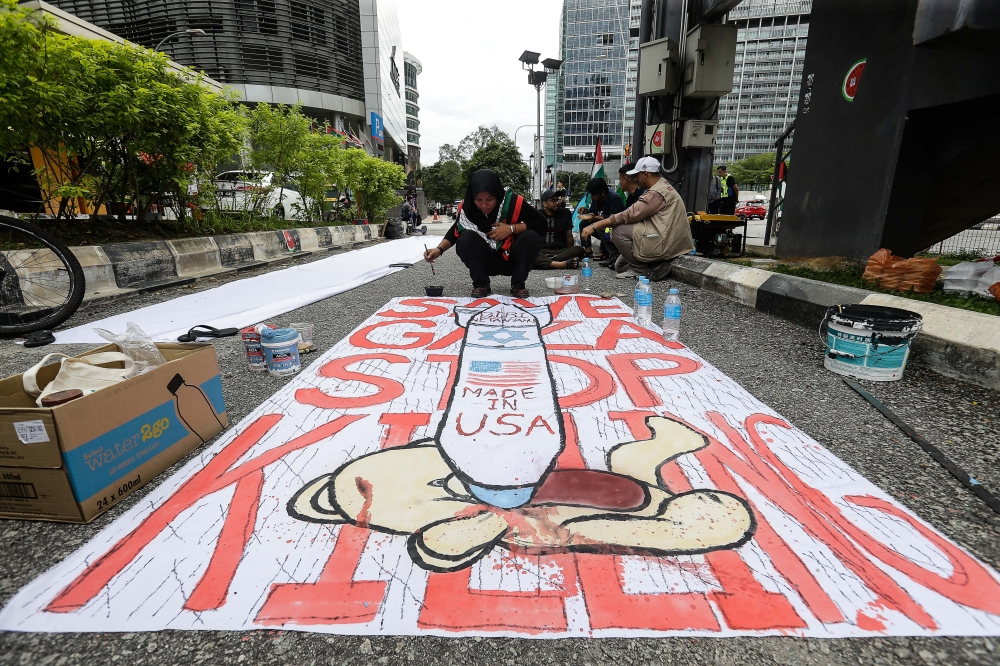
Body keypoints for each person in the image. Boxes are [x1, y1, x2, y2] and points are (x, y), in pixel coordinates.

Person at [423, 169, 544, 297]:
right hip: (485, 260)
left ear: (497, 194)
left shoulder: (513, 202)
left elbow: (541, 223)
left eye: (490, 199)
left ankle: (518, 284)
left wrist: (511, 229)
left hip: (511, 258)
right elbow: (456, 230)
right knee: (466, 238)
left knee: (530, 237)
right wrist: (439, 250)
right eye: (478, 200)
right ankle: (481, 284)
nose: (484, 205)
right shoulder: (468, 208)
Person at [580, 156, 694, 281]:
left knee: (618, 230)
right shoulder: (661, 186)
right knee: (620, 266)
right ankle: (645, 265)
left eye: (636, 175)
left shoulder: (655, 193)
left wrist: (594, 226)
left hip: (666, 242)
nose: (635, 179)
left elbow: (627, 215)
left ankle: (644, 271)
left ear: (645, 174)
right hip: (666, 236)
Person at [535, 187, 585, 270]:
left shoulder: (565, 213)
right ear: (544, 204)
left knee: (580, 250)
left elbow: (569, 235)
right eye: (553, 201)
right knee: (528, 252)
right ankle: (561, 264)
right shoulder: (537, 215)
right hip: (542, 250)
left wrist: (570, 251)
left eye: (557, 200)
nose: (557, 203)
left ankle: (544, 262)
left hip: (560, 251)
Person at [578, 177, 625, 263]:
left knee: (603, 228)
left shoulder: (615, 199)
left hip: (614, 228)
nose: (592, 197)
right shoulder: (596, 200)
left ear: (603, 193)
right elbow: (593, 214)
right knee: (583, 224)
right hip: (601, 226)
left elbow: (614, 219)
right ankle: (588, 250)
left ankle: (612, 254)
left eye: (594, 195)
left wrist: (595, 218)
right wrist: (586, 212)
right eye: (591, 195)